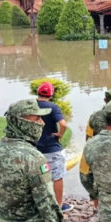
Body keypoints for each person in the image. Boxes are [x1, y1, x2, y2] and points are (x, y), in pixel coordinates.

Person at [0, 99, 63, 222]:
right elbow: (46, 202)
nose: (42, 123)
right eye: (36, 119)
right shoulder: (34, 158)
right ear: (21, 122)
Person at [35, 82, 74, 213]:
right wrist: (60, 134)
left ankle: (39, 204)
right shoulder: (53, 107)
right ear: (51, 95)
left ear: (38, 93)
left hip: (34, 148)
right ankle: (58, 205)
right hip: (51, 148)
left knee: (38, 177)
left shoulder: (31, 106)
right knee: (57, 176)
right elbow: (63, 124)